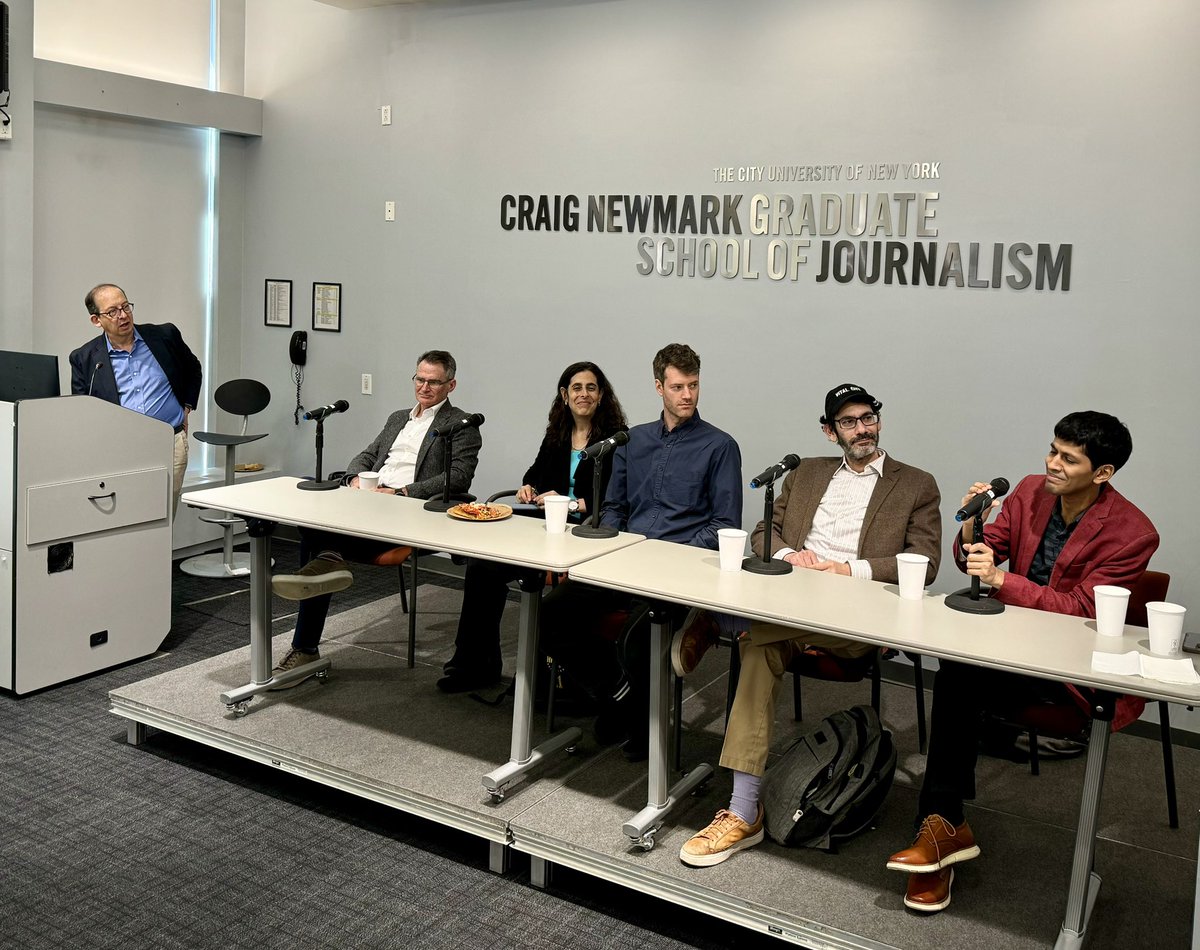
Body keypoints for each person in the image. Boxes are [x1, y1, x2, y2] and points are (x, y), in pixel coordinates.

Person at [886, 411, 1159, 913]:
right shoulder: (1032, 490)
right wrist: (975, 522)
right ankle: (942, 824)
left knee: (958, 682)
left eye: (1067, 458)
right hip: (1010, 651)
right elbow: (978, 554)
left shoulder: (1133, 533)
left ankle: (942, 827)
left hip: (1069, 671)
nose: (1050, 463)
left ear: (1104, 473)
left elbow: (1082, 611)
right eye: (1053, 449)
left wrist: (1002, 583)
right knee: (958, 671)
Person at [678, 383, 942, 868]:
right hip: (793, 604)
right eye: (849, 422)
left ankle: (716, 620)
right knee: (759, 648)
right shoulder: (805, 474)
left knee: (754, 637)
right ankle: (743, 810)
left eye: (868, 417)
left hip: (857, 615)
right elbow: (764, 531)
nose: (862, 428)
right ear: (829, 432)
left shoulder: (915, 483)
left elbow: (924, 563)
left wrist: (848, 570)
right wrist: (787, 555)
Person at [538, 343, 742, 758]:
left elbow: (724, 525)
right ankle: (621, 700)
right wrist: (602, 550)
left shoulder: (719, 446)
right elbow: (614, 508)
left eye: (694, 386)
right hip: (624, 562)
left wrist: (669, 555)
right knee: (552, 612)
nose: (687, 395)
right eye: (678, 387)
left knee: (637, 639)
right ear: (659, 387)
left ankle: (639, 719)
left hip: (677, 571)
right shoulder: (632, 441)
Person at [269, 350, 482, 685]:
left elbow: (457, 478)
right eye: (420, 379)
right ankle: (328, 561)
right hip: (371, 498)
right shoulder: (399, 418)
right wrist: (356, 478)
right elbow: (368, 454)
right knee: (310, 517)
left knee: (318, 539)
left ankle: (307, 640)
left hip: (409, 508)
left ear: (450, 384)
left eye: (434, 382)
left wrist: (401, 493)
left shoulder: (461, 425)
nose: (424, 387)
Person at [438, 361, 629, 693]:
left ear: (602, 395)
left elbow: (619, 498)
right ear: (564, 395)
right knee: (482, 567)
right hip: (546, 524)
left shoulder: (617, 440)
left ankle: (549, 680)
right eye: (576, 388)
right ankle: (475, 666)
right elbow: (536, 475)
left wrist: (574, 502)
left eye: (591, 388)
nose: (583, 394)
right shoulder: (557, 433)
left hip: (587, 528)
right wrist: (528, 488)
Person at [69, 283, 202, 517]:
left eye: (126, 306)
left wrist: (187, 407)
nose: (123, 315)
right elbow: (83, 409)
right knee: (127, 517)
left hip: (169, 441)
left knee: (164, 517)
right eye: (112, 311)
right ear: (96, 320)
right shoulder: (85, 358)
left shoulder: (164, 336)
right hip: (120, 448)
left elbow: (193, 369)